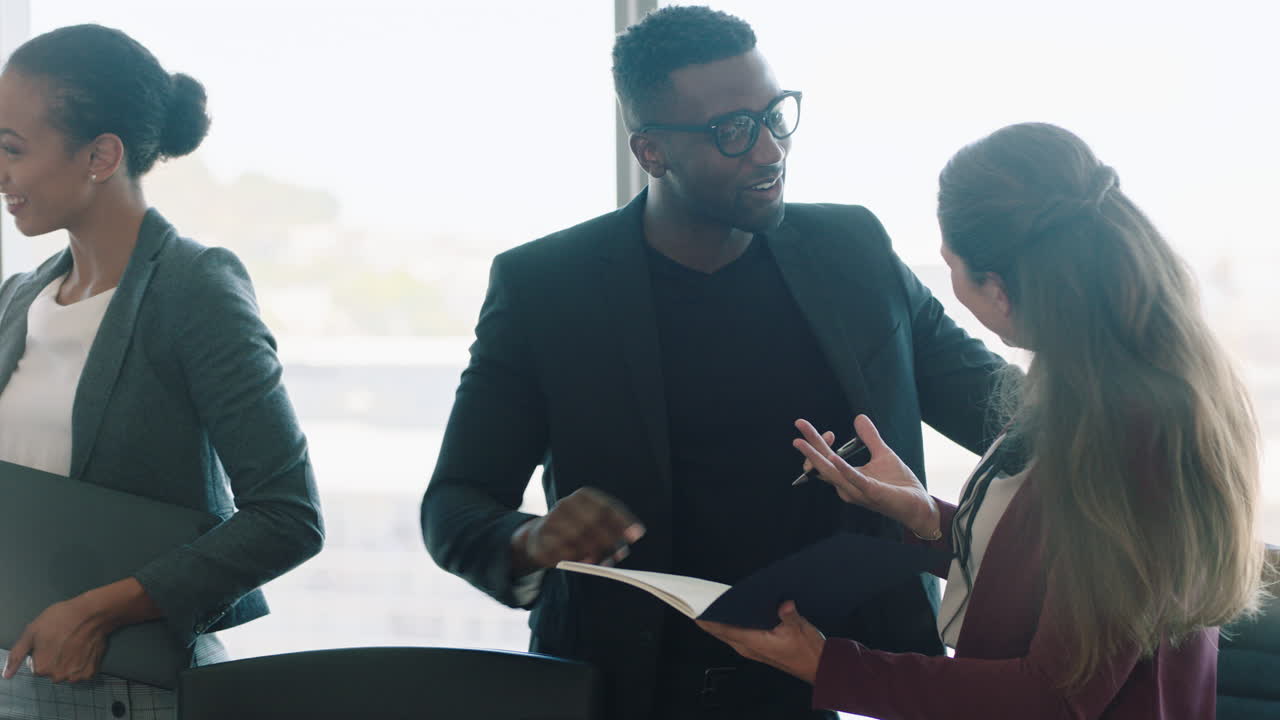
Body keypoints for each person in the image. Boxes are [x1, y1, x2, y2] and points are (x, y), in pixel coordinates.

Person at [421, 7, 1004, 719]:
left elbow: (1000, 408)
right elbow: (454, 506)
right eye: (733, 131)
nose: (768, 152)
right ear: (651, 152)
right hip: (630, 687)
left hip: (840, 679)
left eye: (776, 116)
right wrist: (531, 540)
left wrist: (1135, 420)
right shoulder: (547, 288)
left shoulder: (851, 248)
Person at [698, 122, 1270, 718]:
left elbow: (1050, 697)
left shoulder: (1130, 436)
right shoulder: (1106, 385)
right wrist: (923, 516)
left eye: (950, 264)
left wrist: (827, 666)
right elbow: (1054, 580)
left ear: (997, 290)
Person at [0, 24, 324, 719]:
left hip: (130, 690)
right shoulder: (18, 299)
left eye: (12, 150)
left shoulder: (193, 288)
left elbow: (288, 517)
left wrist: (99, 611)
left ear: (101, 155)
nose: (0, 172)